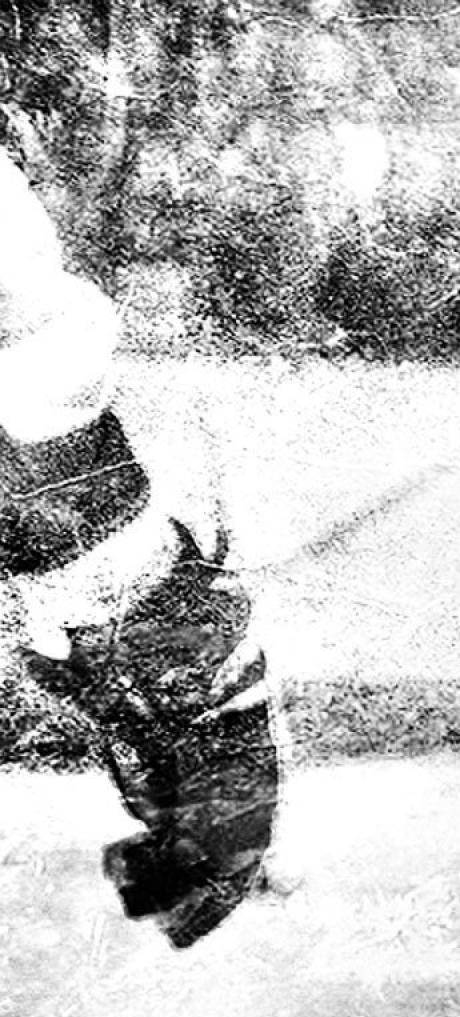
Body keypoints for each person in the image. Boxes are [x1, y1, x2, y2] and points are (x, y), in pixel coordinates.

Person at [3, 140, 279, 947]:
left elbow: (112, 684)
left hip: (85, 545)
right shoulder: (209, 783)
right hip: (84, 540)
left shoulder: (181, 782)